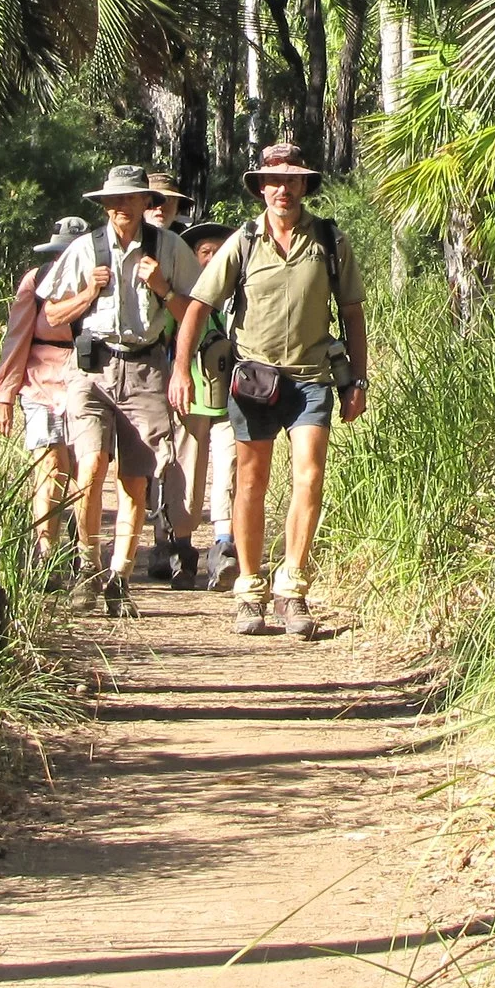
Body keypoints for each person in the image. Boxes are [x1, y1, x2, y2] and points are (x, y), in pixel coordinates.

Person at [168, 142, 368, 639]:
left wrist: (358, 381)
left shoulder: (329, 240)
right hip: (254, 380)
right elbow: (197, 306)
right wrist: (179, 369)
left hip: (312, 379)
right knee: (251, 482)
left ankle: (293, 590)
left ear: (305, 185)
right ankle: (250, 592)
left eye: (292, 180)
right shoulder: (242, 242)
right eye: (273, 181)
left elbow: (353, 313)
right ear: (260, 187)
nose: (283, 189)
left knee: (309, 477)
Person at [42, 165, 205, 609]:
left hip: (146, 369)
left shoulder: (169, 247)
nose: (119, 207)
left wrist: (162, 287)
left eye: (129, 199)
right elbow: (54, 315)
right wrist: (87, 295)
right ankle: (86, 565)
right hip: (92, 368)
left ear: (144, 202)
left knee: (136, 479)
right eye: (112, 201)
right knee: (90, 467)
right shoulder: (84, 250)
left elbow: (195, 309)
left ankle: (119, 575)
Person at [0, 216, 94, 575]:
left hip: (87, 381)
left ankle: (85, 552)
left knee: (86, 470)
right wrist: (5, 394)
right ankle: (45, 554)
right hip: (41, 384)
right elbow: (17, 337)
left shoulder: (102, 281)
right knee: (49, 466)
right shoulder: (36, 282)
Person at [176, 220, 239, 588]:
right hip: (192, 395)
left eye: (219, 251)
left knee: (228, 468)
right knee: (188, 469)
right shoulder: (181, 295)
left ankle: (224, 545)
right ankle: (181, 548)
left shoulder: (240, 296)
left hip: (234, 396)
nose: (213, 258)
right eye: (205, 252)